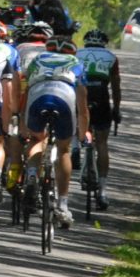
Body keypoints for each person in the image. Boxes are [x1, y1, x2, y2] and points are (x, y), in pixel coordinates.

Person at [21, 37, 89, 228]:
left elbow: (25, 92)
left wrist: (23, 126)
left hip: (38, 95)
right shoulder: (77, 63)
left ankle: (32, 176)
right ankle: (62, 205)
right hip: (64, 97)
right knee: (64, 150)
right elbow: (83, 107)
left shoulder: (37, 59)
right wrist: (82, 135)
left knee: (36, 139)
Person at [76, 28, 119, 209]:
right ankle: (102, 190)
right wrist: (116, 109)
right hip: (101, 95)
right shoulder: (111, 57)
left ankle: (76, 148)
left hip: (81, 94)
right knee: (102, 142)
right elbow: (116, 87)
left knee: (78, 129)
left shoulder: (76, 54)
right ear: (104, 43)